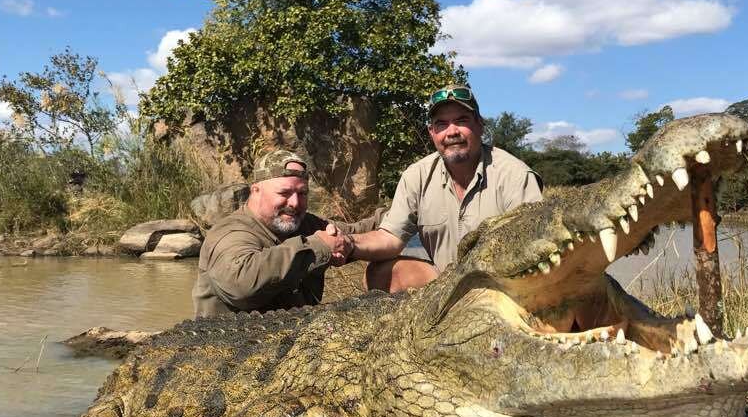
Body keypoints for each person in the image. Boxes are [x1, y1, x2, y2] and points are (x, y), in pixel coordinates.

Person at [350, 84, 542, 292]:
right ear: (432, 133)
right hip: (444, 288)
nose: (452, 132)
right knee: (380, 273)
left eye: (461, 121)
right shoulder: (417, 175)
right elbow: (390, 238)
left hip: (502, 287)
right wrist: (347, 244)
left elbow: (532, 249)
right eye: (441, 124)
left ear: (480, 125)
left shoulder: (515, 175)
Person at [192, 150, 381, 317]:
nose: (295, 203)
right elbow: (240, 283)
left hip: (295, 344)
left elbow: (358, 231)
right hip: (227, 350)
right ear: (255, 191)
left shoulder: (306, 224)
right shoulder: (232, 232)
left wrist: (403, 211)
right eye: (284, 193)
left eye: (302, 193)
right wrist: (318, 247)